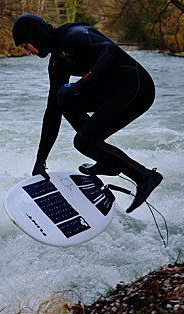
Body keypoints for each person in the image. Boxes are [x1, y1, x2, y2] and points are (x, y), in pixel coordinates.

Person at [12, 14, 162, 213]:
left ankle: (145, 177)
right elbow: (52, 111)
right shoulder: (57, 60)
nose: (28, 51)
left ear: (35, 35)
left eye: (26, 45)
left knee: (84, 141)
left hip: (136, 87)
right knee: (62, 99)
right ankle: (108, 162)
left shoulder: (75, 35)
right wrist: (41, 159)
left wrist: (81, 84)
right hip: (114, 91)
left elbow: (110, 51)